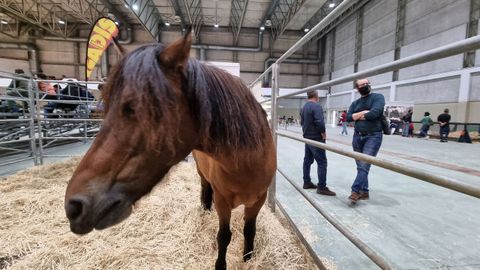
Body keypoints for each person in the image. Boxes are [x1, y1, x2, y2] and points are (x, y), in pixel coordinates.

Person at [346, 78, 385, 202]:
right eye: (362, 84)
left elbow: (375, 113)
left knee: (364, 164)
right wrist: (363, 112)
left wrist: (357, 116)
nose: (365, 85)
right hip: (357, 136)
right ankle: (365, 191)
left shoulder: (378, 97)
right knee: (360, 166)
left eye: (366, 83)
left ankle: (355, 190)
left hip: (373, 136)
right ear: (357, 88)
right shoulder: (355, 103)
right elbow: (347, 117)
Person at [300, 90, 336, 196]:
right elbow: (319, 121)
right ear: (316, 96)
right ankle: (322, 187)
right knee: (322, 162)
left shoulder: (304, 108)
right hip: (316, 138)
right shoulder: (316, 107)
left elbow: (302, 122)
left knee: (307, 160)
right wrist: (323, 133)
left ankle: (306, 182)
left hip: (307, 137)